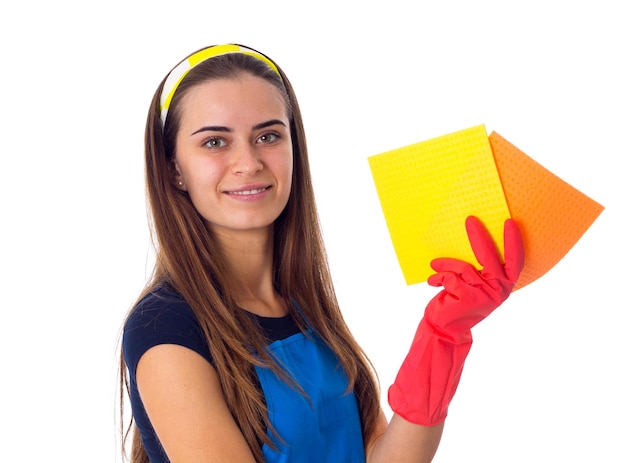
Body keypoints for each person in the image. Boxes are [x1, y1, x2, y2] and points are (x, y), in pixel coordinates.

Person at [119, 43, 524, 463]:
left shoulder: (301, 307)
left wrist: (443, 336)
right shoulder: (166, 328)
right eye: (216, 142)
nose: (249, 161)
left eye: (268, 136)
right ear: (173, 169)